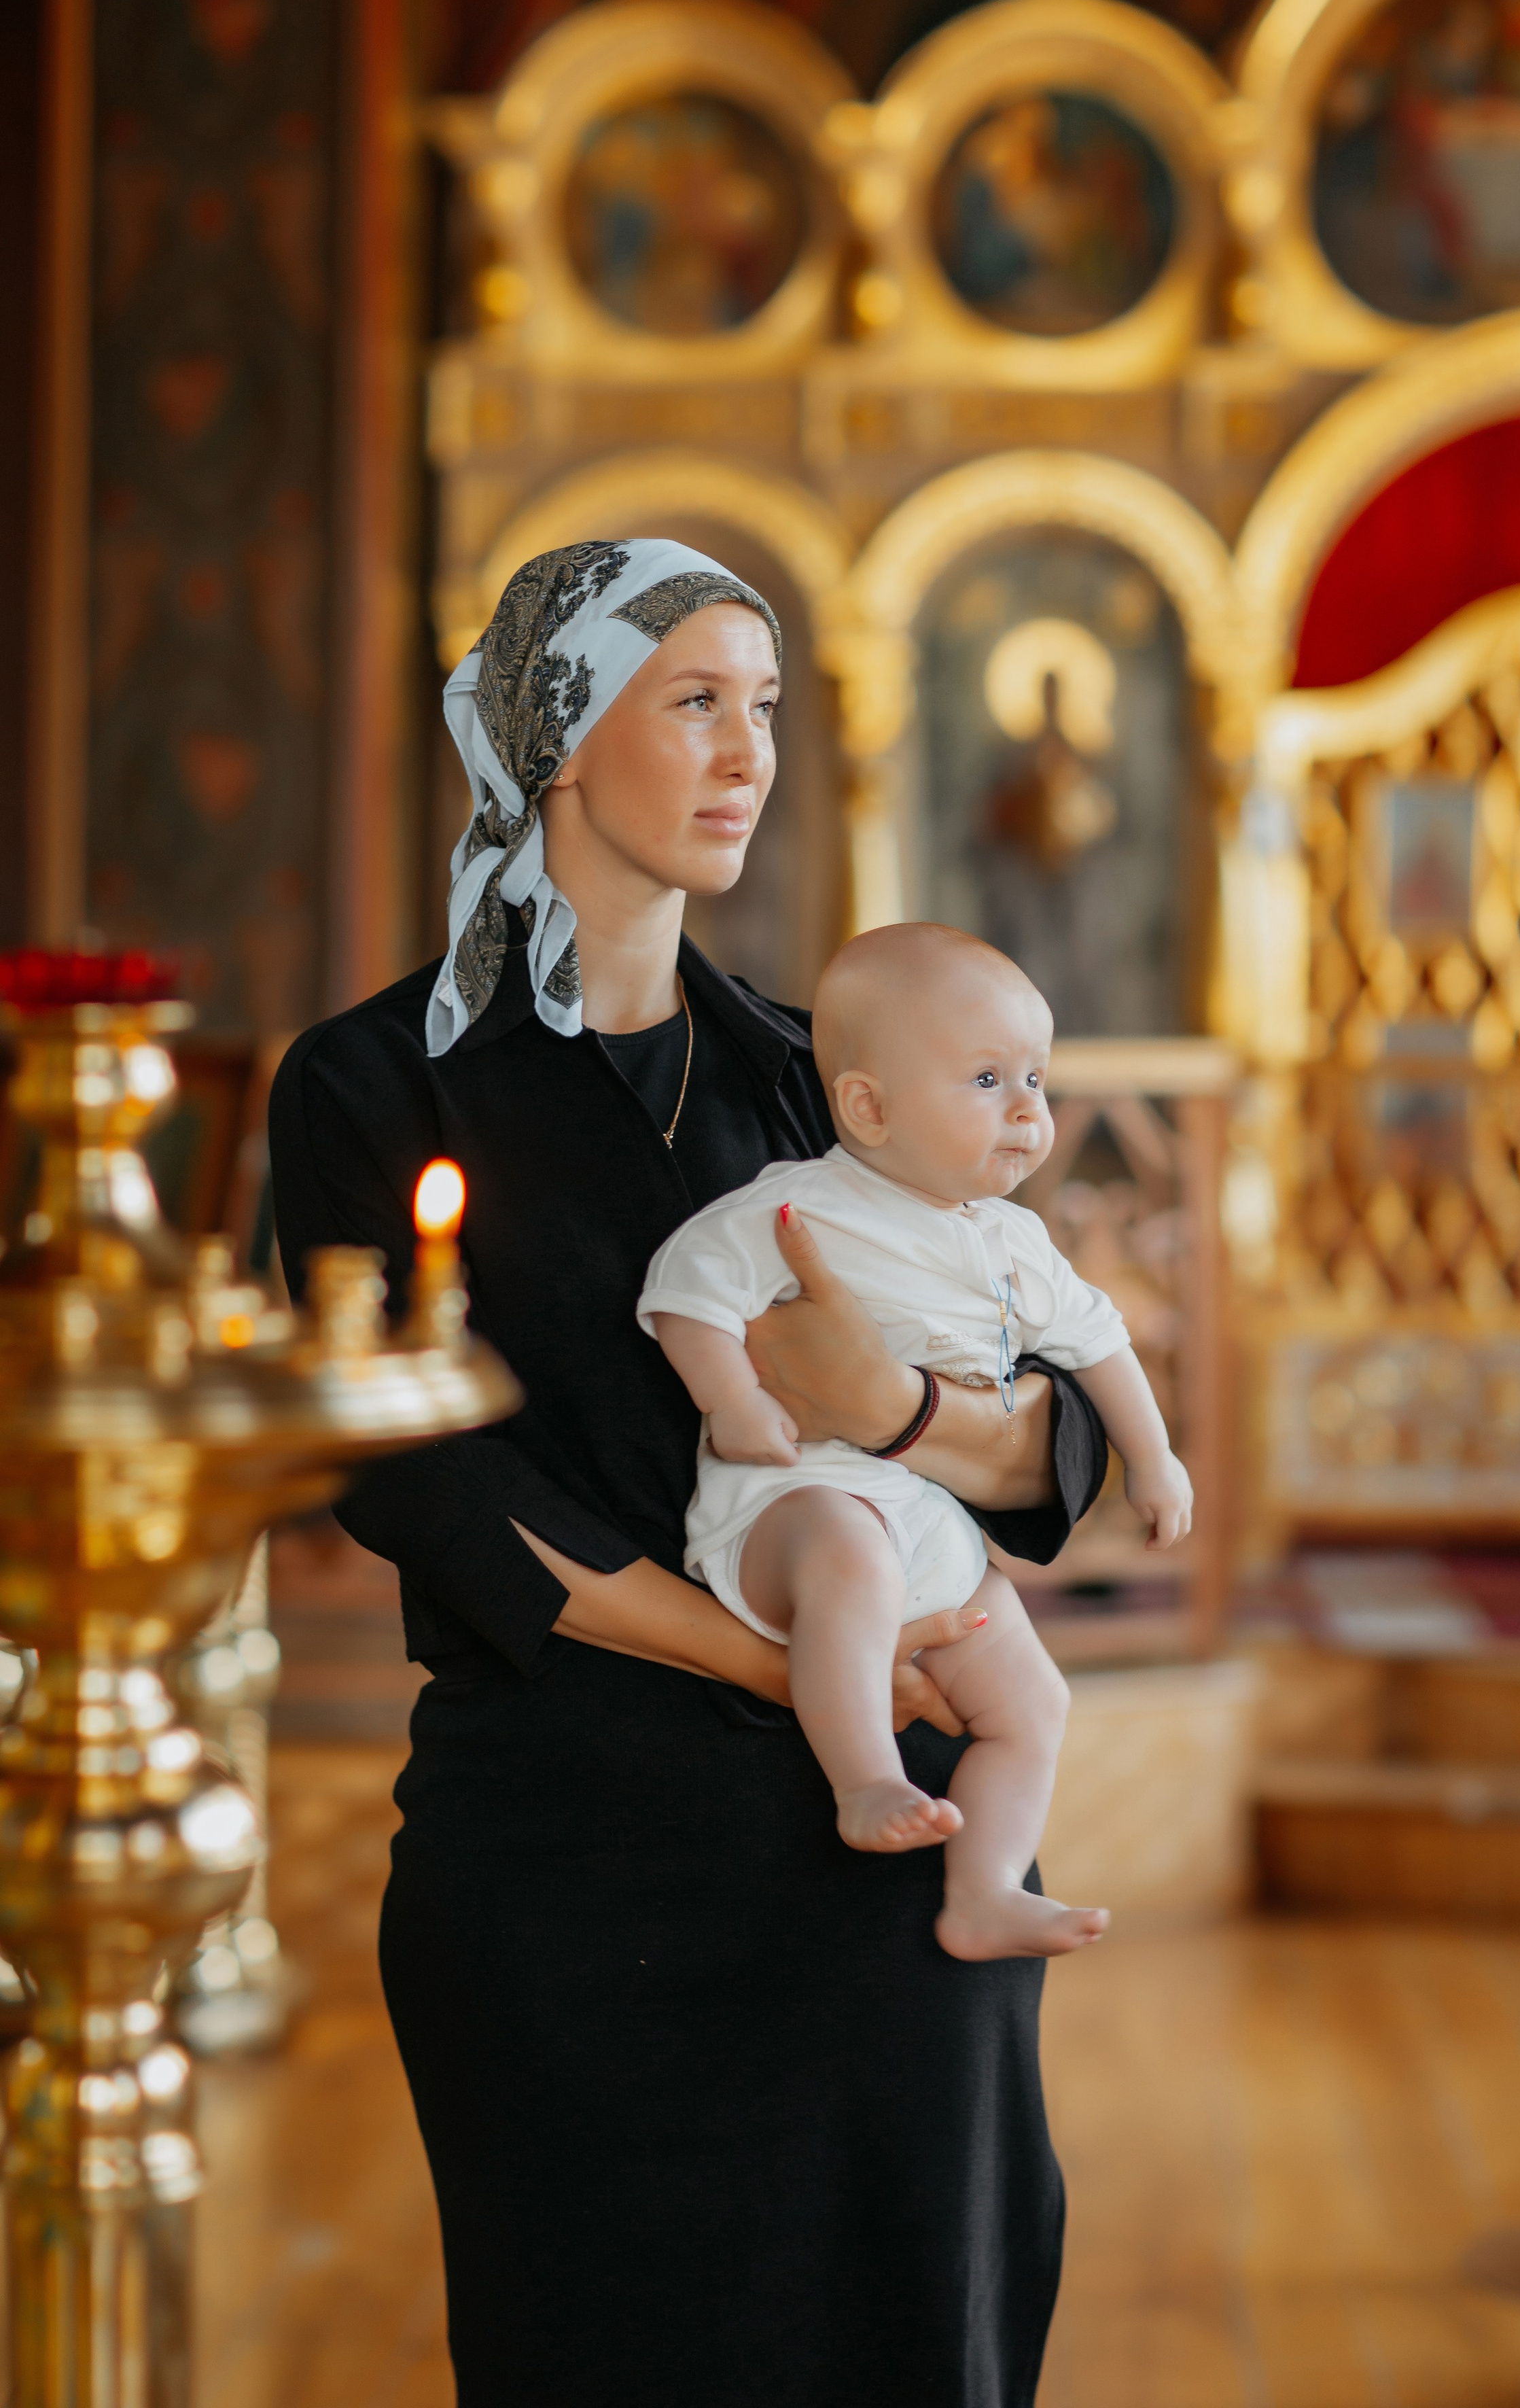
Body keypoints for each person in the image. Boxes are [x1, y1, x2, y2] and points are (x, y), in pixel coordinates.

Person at [268, 538, 1113, 2408]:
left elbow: (1053, 1454)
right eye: (698, 702)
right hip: (571, 1854)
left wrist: (895, 1416)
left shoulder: (829, 1080)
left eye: (770, 712)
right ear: (561, 730)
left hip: (879, 1863)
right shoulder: (369, 1090)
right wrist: (791, 1664)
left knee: (927, 2341)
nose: (751, 755)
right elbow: (413, 1481)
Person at [640, 922, 1194, 1961]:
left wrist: (1155, 1459)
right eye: (987, 1079)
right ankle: (863, 1780)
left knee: (1034, 1699)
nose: (1029, 1110)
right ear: (868, 1107)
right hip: (794, 1505)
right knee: (848, 1560)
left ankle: (982, 1891)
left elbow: (1103, 1340)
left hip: (932, 1526)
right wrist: (732, 1402)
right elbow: (686, 1294)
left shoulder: (1015, 1242)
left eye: (1036, 1076)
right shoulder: (802, 1207)